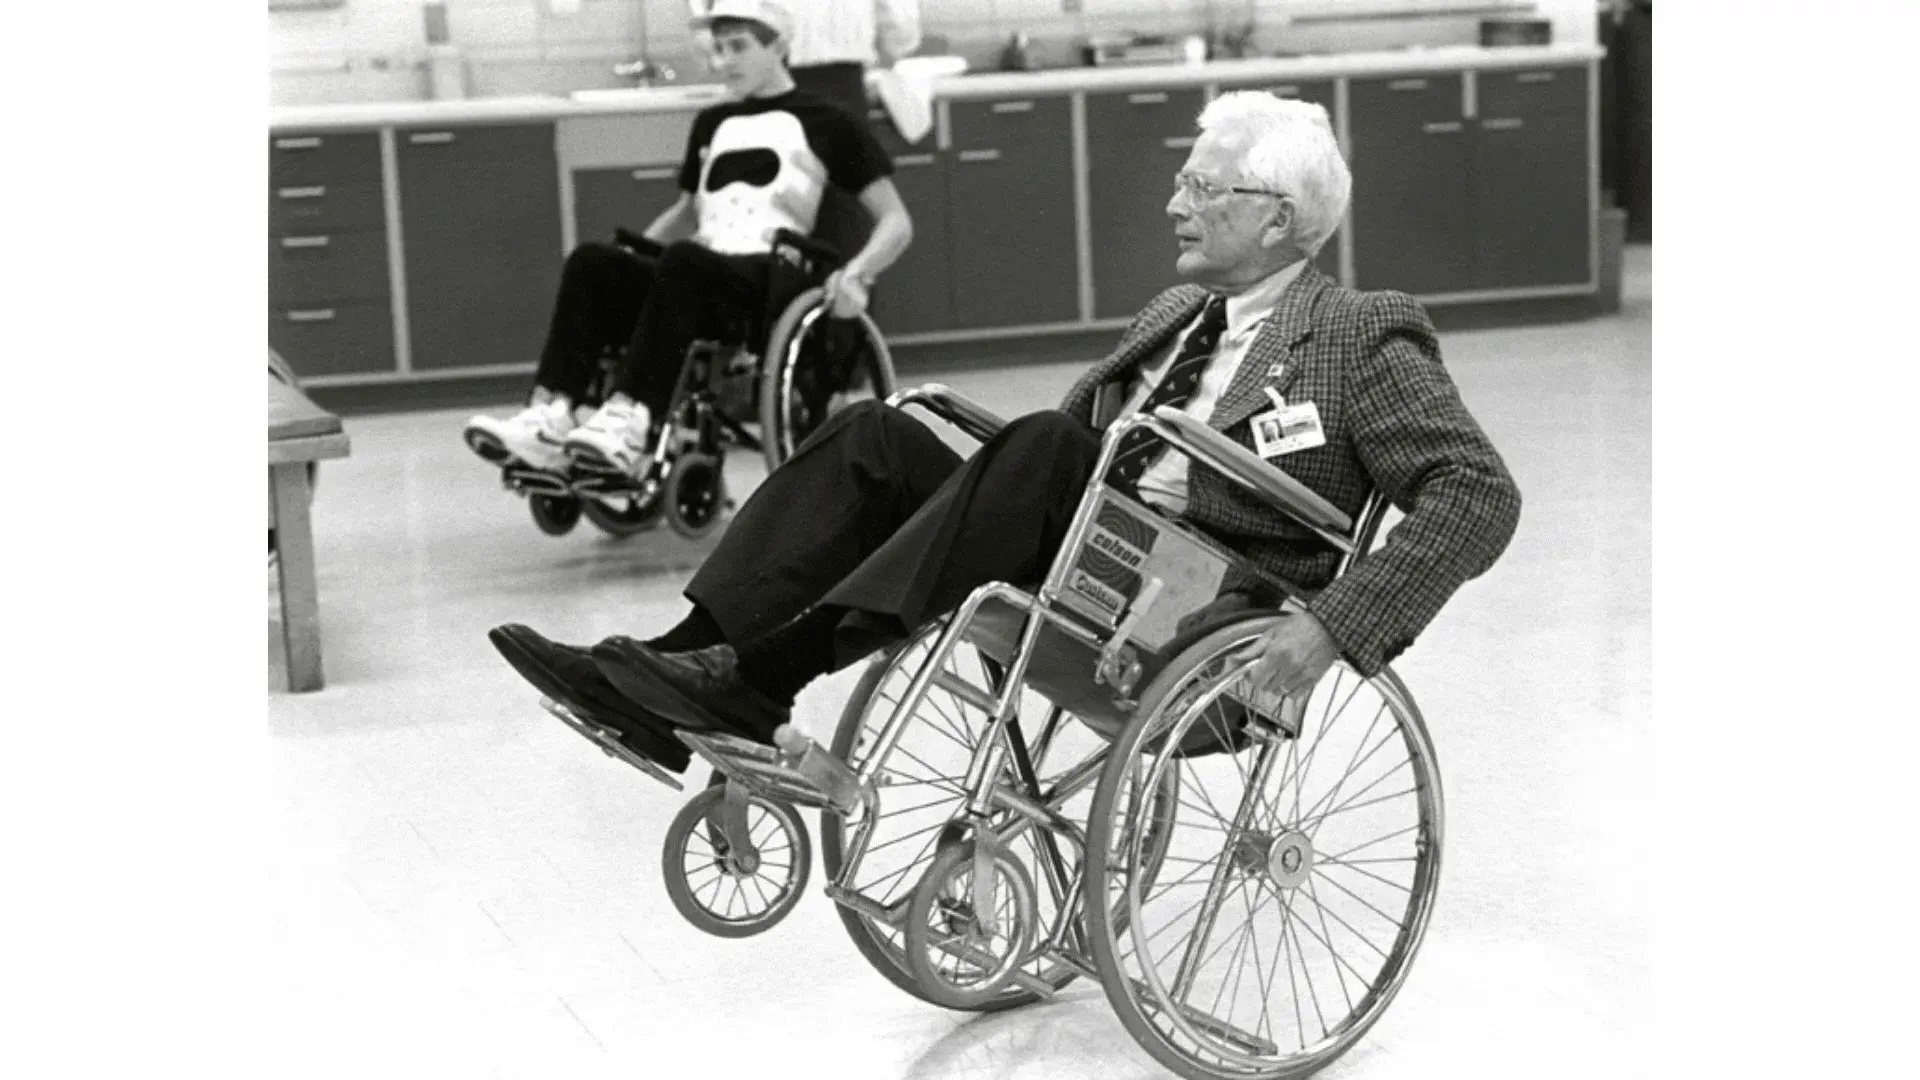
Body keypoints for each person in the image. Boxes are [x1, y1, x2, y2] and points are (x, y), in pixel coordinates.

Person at [490, 91, 1522, 772]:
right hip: (1089, 560)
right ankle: (684, 661)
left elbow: (1478, 496)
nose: (1174, 204)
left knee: (1050, 448)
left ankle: (762, 677)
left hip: (1197, 615)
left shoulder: (1356, 332)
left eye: (1202, 187)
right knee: (884, 434)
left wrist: (1330, 628)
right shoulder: (1170, 318)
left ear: (1280, 218)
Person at [463, 0, 912, 478]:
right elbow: (686, 212)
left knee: (685, 261)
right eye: (718, 49)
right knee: (592, 262)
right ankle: (551, 412)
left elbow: (896, 220)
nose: (725, 61)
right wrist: (629, 260)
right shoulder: (712, 123)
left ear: (779, 46)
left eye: (739, 47)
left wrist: (857, 273)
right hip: (699, 271)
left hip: (764, 282)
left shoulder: (829, 123)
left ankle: (633, 419)